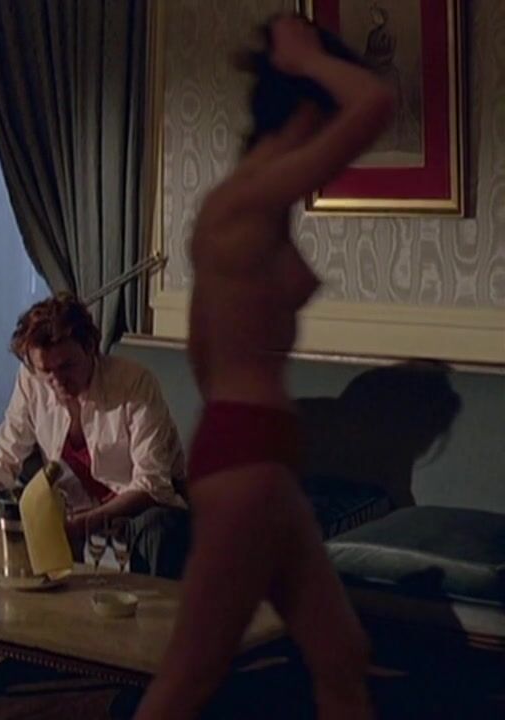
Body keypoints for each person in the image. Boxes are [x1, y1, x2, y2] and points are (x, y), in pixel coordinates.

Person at [134, 15, 394, 720]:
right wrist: (309, 58)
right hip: (246, 462)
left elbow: (202, 348)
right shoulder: (245, 201)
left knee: (341, 655)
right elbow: (375, 102)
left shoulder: (256, 206)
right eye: (326, 123)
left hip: (260, 459)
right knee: (190, 677)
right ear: (309, 112)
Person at [0, 292, 191, 579]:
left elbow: (151, 483)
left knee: (159, 530)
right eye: (46, 371)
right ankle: (4, 598)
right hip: (65, 506)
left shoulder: (135, 384)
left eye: (67, 366)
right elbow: (3, 460)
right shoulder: (31, 381)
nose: (57, 381)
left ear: (90, 347)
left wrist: (81, 525)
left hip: (132, 512)